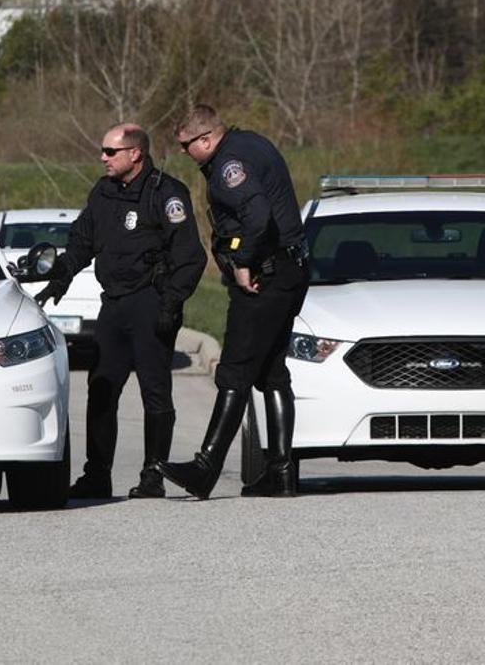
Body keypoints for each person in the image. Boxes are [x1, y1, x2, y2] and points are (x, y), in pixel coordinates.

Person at [36, 123, 206, 499]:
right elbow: (82, 239)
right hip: (113, 305)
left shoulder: (167, 194)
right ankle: (97, 474)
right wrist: (61, 276)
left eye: (110, 152)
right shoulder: (104, 192)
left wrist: (171, 303)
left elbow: (190, 257)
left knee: (155, 393)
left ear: (135, 154)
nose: (103, 158)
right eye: (103, 151)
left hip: (151, 303)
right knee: (101, 389)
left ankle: (152, 475)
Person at [156, 104, 310, 499]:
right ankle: (281, 473)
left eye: (187, 145)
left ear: (206, 139)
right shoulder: (251, 143)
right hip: (291, 272)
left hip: (264, 276)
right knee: (272, 374)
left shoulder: (228, 166)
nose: (185, 154)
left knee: (235, 371)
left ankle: (205, 468)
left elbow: (258, 215)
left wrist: (243, 262)